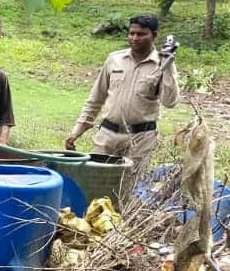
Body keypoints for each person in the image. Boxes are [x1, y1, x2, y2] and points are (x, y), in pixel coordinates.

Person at [65, 13, 179, 167]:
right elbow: (95, 99)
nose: (135, 38)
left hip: (141, 140)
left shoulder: (162, 64)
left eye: (141, 34)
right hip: (107, 136)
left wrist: (168, 66)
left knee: (131, 186)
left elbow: (170, 102)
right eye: (132, 33)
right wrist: (76, 131)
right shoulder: (114, 60)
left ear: (154, 35)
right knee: (97, 181)